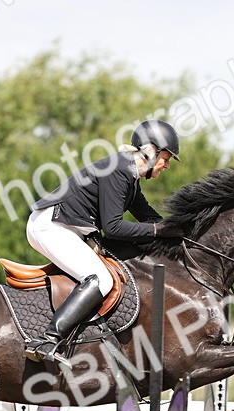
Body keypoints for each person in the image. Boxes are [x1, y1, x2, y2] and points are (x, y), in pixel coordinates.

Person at [22, 119, 185, 363]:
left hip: (67, 228)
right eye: (166, 158)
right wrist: (157, 231)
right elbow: (114, 227)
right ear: (151, 151)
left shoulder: (130, 177)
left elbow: (150, 218)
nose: (167, 165)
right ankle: (48, 340)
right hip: (50, 226)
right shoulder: (118, 170)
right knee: (101, 278)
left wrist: (182, 232)